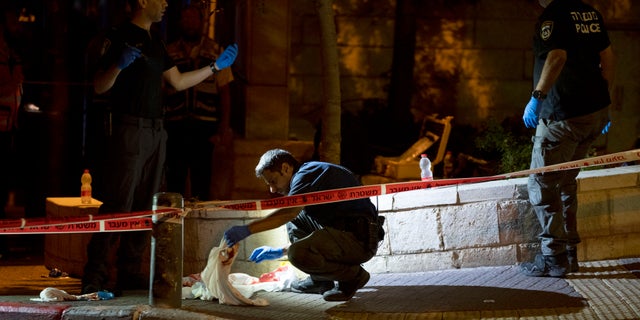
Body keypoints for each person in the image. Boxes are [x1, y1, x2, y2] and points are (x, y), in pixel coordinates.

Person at [81, 0, 238, 295]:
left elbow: (177, 81)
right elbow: (100, 86)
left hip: (156, 130)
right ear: (142, 1)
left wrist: (215, 67)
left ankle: (130, 272)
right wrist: (118, 64)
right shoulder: (117, 35)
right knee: (118, 203)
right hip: (129, 127)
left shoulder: (156, 40)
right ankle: (96, 274)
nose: (166, 4)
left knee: (144, 204)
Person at [520, 0, 613, 277]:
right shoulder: (589, 13)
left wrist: (537, 98)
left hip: (562, 115)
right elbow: (608, 57)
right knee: (565, 182)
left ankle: (553, 258)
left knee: (541, 184)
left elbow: (556, 56)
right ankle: (570, 253)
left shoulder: (553, 15)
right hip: (591, 115)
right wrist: (605, 105)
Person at [223, 149, 385, 302]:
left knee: (296, 251)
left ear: (286, 168)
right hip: (345, 235)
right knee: (298, 216)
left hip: (360, 240)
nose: (272, 189)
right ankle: (320, 281)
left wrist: (247, 229)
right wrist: (280, 251)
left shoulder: (306, 174)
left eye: (273, 181)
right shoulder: (307, 176)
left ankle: (353, 277)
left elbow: (288, 213)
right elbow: (306, 227)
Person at [163, 5, 234, 201]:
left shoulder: (216, 52)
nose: (190, 23)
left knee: (202, 181)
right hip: (175, 126)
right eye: (186, 19)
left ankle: (200, 226)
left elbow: (225, 91)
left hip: (204, 128)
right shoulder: (168, 53)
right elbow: (161, 92)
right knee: (174, 180)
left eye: (194, 19)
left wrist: (223, 127)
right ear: (179, 22)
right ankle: (173, 224)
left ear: (201, 22)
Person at [0, 5, 24, 259]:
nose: (18, 23)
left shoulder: (10, 46)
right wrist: (15, 78)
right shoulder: (4, 49)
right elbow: (6, 86)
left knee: (5, 187)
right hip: (2, 124)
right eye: (13, 17)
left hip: (8, 125)